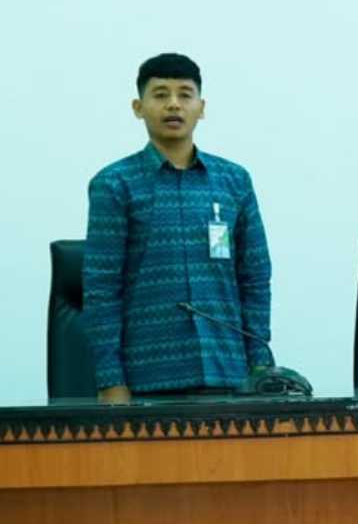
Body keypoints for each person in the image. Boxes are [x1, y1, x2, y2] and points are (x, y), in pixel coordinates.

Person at [82, 53, 274, 403]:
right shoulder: (114, 184)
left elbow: (255, 277)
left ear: (201, 107)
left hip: (228, 371)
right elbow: (101, 289)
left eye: (185, 94)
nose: (173, 104)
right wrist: (110, 380)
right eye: (160, 94)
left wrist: (260, 366)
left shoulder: (234, 181)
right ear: (138, 107)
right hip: (147, 376)